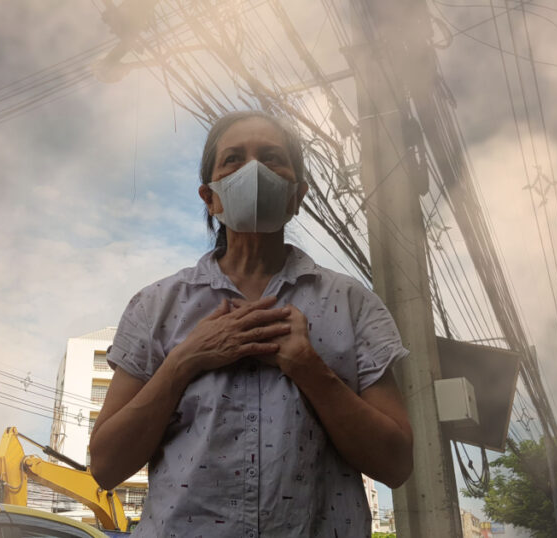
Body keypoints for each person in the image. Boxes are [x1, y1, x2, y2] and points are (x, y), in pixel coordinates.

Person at [89, 110, 413, 537]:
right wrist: (186, 360)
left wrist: (310, 370)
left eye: (272, 157)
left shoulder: (353, 305)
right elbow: (107, 466)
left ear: (298, 195)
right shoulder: (156, 306)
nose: (255, 170)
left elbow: (396, 464)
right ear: (210, 197)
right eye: (233, 159)